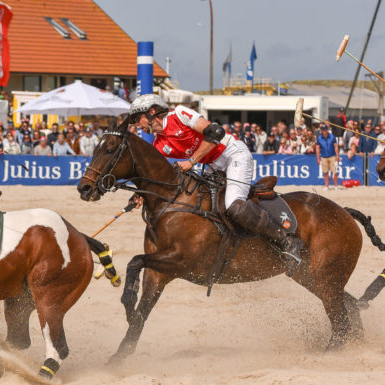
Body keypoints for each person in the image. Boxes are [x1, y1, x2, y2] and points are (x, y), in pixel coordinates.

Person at [128, 94, 302, 274]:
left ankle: (287, 241)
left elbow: (216, 132)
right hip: (212, 166)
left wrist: (191, 161)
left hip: (232, 154)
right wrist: (139, 193)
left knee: (234, 205)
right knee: (204, 207)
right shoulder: (158, 143)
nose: (137, 124)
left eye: (137, 118)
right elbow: (155, 175)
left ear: (152, 111)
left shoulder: (179, 114)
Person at [315, 124, 340, 190]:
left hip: (332, 156)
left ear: (327, 130)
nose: (324, 131)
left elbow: (336, 147)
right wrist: (318, 158)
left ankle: (336, 186)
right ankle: (327, 186)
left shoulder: (332, 137)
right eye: (323, 130)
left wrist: (337, 156)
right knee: (325, 172)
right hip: (323, 157)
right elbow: (317, 148)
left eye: (325, 129)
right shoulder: (319, 138)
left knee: (334, 172)